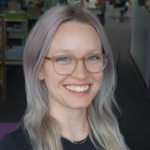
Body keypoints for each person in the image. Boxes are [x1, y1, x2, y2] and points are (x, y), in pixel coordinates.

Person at [0, 6, 130, 150]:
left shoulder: (111, 134)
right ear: (39, 69)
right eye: (64, 59)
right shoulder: (15, 146)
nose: (81, 74)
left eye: (92, 57)